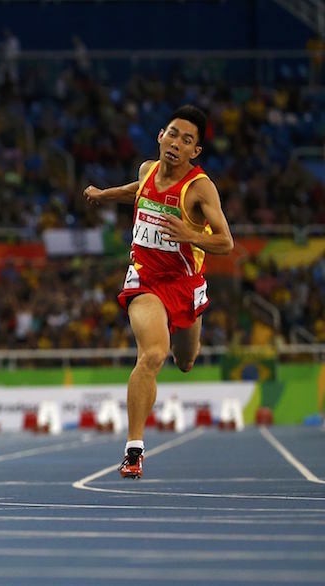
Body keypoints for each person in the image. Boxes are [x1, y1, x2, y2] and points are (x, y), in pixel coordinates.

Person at [84, 105, 233, 478]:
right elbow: (137, 191)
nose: (176, 143)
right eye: (172, 134)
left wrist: (191, 235)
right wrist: (105, 194)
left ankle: (187, 332)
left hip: (184, 284)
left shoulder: (200, 188)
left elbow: (227, 242)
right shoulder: (147, 169)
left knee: (185, 361)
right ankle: (134, 450)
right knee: (152, 354)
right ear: (160, 136)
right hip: (146, 279)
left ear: (195, 152)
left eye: (187, 140)